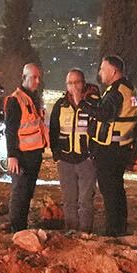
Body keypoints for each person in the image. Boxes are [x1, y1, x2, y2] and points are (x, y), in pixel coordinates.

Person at [88, 53, 137, 237]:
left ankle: (113, 231)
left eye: (102, 69)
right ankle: (120, 227)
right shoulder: (129, 89)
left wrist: (83, 104)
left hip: (109, 149)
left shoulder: (116, 91)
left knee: (110, 191)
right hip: (122, 146)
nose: (100, 73)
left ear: (113, 70)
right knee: (117, 190)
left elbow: (104, 114)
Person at [49, 68, 97, 232]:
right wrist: (57, 154)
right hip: (66, 160)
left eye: (77, 82)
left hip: (86, 160)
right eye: (70, 83)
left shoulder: (93, 104)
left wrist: (93, 155)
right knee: (69, 200)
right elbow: (53, 130)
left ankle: (85, 233)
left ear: (83, 83)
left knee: (86, 200)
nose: (74, 86)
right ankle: (71, 232)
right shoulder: (60, 105)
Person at [3, 63, 48, 231]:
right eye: (34, 77)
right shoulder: (16, 100)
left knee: (27, 193)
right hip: (21, 156)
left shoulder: (33, 98)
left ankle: (21, 226)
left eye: (39, 77)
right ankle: (17, 228)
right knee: (20, 194)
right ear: (24, 78)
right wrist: (12, 155)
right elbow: (10, 130)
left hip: (34, 154)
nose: (37, 81)